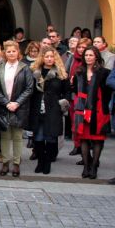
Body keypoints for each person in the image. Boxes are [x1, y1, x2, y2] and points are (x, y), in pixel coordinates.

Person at [0, 41, 34, 177]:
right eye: (8, 51)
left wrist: (16, 103)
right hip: (3, 106)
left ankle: (16, 163)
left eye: (14, 51)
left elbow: (29, 88)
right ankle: (5, 162)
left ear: (18, 53)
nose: (11, 53)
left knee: (17, 136)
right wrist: (6, 103)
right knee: (4, 136)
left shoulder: (25, 68)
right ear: (5, 53)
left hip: (19, 107)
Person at [29, 46, 70, 175]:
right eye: (46, 56)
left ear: (55, 58)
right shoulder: (35, 72)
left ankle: (47, 163)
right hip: (38, 109)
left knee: (51, 138)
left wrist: (62, 104)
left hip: (53, 109)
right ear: (42, 58)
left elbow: (67, 92)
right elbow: (30, 90)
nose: (49, 59)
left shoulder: (61, 73)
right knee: (38, 138)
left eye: (51, 56)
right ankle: (41, 161)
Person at [72, 46, 111, 179]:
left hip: (99, 110)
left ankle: (94, 166)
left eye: (91, 55)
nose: (88, 57)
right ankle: (86, 166)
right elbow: (75, 91)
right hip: (82, 110)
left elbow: (108, 92)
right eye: (86, 55)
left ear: (96, 57)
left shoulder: (104, 72)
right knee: (83, 137)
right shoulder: (79, 72)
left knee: (97, 139)